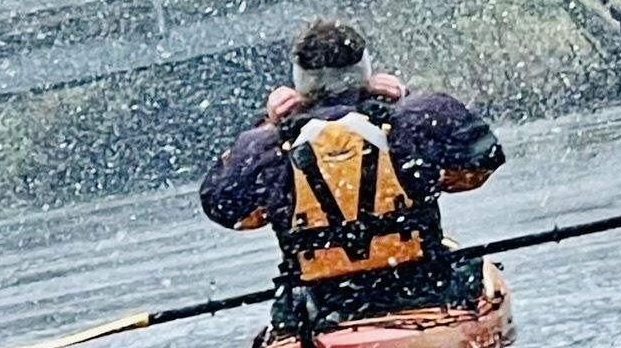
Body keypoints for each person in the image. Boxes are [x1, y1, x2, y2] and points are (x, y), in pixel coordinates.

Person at [200, 20, 505, 332]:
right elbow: (484, 159)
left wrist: (269, 124)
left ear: (300, 79)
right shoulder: (418, 116)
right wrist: (405, 99)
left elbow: (223, 207)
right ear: (364, 69)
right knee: (475, 271)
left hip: (322, 307)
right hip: (419, 289)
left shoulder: (266, 144)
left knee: (293, 304)